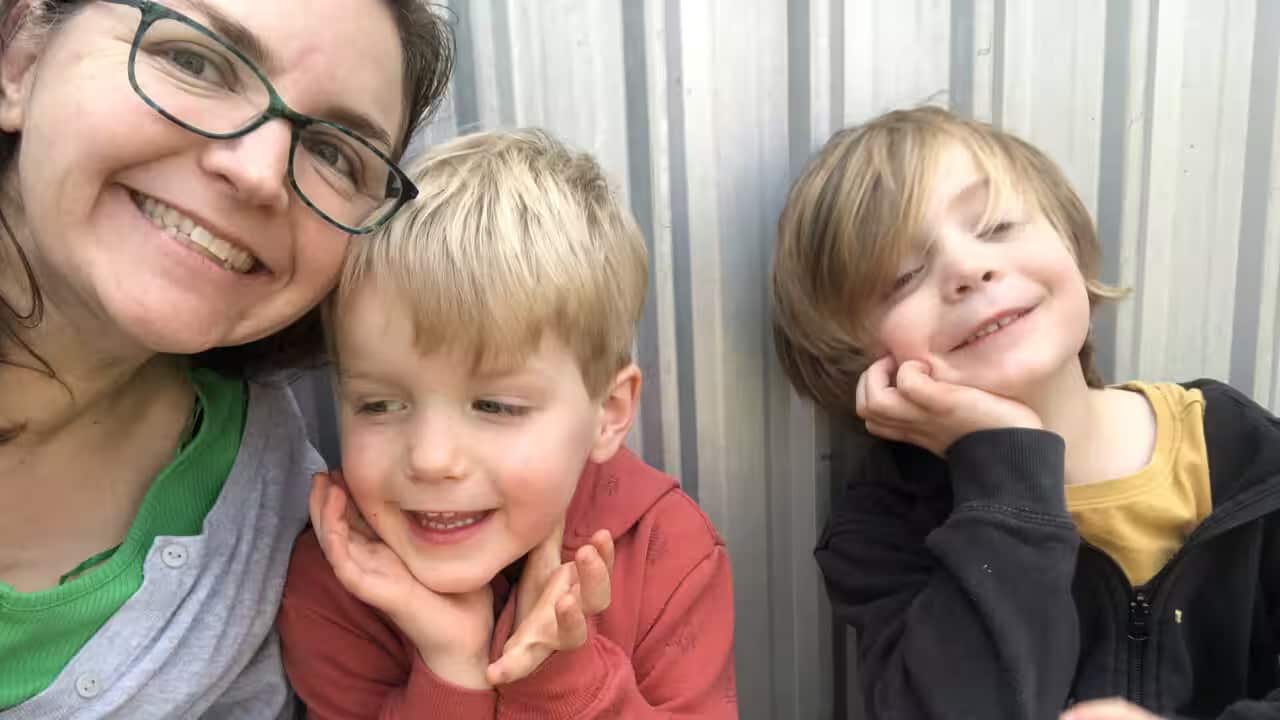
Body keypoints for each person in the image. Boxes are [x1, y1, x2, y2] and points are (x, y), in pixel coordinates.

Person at [0, 0, 452, 716]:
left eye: (334, 152)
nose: (261, 172)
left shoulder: (272, 497)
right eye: (196, 61)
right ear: (21, 58)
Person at [770, 106, 1280, 720]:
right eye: (903, 277)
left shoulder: (1241, 453)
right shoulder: (884, 527)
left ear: (1069, 239)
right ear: (858, 361)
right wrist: (1005, 467)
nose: (967, 268)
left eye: (996, 225)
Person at [277, 129, 739, 719]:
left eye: (495, 406)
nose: (431, 459)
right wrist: (451, 666)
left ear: (609, 414)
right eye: (380, 405)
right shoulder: (335, 583)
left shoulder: (667, 552)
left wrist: (564, 678)